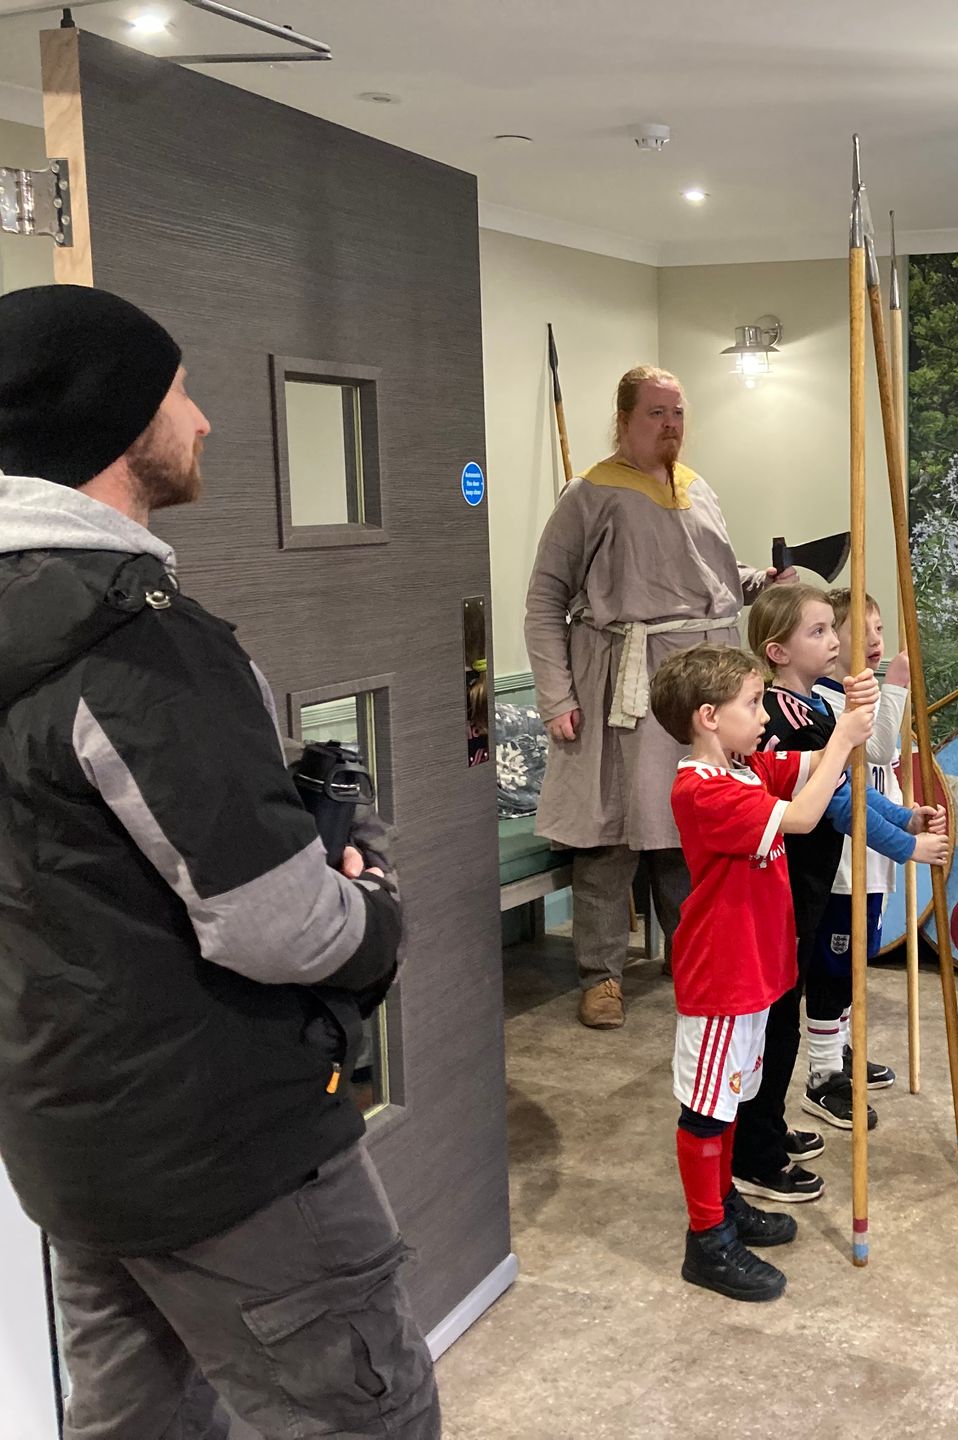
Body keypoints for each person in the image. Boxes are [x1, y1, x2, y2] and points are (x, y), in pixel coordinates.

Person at [0, 285, 438, 1436]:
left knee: (134, 1424)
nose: (203, 422)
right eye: (180, 393)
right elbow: (277, 925)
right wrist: (378, 912)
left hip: (72, 1148)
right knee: (365, 1417)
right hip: (232, 1160)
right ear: (114, 424)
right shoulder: (138, 647)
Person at [524, 365, 788, 1030]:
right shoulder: (589, 493)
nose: (669, 425)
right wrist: (556, 696)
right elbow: (544, 600)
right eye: (655, 413)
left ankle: (692, 956)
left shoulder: (697, 488)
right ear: (624, 420)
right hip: (622, 682)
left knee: (686, 828)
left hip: (699, 682)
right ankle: (602, 976)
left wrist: (763, 579)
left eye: (676, 413)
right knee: (610, 836)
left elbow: (717, 577)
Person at [649, 643, 875, 1302]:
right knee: (707, 1110)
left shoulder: (744, 769)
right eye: (752, 705)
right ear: (708, 717)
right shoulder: (702, 789)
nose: (763, 715)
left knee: (732, 1099)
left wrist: (850, 722)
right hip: (722, 977)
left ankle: (724, 1205)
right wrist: (842, 744)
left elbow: (801, 767)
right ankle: (707, 1240)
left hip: (752, 969)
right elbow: (803, 816)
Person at [731, 583, 949, 1202]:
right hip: (783, 884)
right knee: (774, 1023)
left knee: (785, 1015)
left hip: (804, 884)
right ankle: (756, 1149)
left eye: (834, 629)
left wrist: (903, 817)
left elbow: (853, 781)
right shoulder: (783, 719)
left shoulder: (816, 711)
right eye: (819, 632)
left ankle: (767, 1126)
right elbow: (836, 803)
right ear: (777, 651)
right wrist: (907, 847)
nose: (836, 642)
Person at [813, 589, 924, 1094]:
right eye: (864, 631)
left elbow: (887, 768)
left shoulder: (861, 692)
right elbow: (877, 748)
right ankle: (824, 1070)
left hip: (872, 850)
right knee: (835, 966)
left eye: (880, 630)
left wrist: (906, 818)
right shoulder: (829, 699)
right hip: (843, 858)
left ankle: (842, 1052)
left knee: (857, 958)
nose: (876, 642)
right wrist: (896, 687)